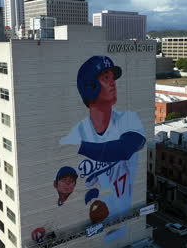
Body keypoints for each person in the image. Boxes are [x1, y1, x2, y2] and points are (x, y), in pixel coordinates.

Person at [60, 56, 146, 222]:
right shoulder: (76, 133)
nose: (113, 83)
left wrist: (80, 147)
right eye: (105, 78)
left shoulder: (128, 118)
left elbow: (125, 149)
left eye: (112, 78)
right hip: (92, 228)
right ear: (89, 87)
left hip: (125, 221)